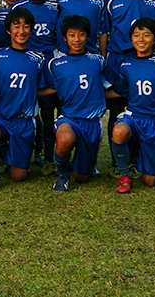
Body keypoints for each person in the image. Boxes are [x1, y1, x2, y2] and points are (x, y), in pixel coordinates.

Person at [103, 0, 155, 179]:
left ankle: (137, 159)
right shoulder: (112, 1)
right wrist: (105, 58)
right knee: (116, 110)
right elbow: (105, 32)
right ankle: (117, 162)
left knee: (139, 109)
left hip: (143, 60)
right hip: (118, 59)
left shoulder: (154, 1)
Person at [106, 19, 155, 193]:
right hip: (133, 116)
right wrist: (94, 95)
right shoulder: (126, 65)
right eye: (136, 35)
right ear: (131, 39)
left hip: (154, 120)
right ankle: (125, 174)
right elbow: (120, 91)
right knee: (119, 131)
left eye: (146, 35)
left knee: (150, 181)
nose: (141, 39)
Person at [0, 8, 45, 191]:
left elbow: (44, 88)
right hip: (2, 117)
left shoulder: (37, 59)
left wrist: (30, 94)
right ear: (8, 30)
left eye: (26, 26)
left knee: (18, 177)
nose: (21, 31)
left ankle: (5, 149)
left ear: (32, 29)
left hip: (24, 121)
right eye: (16, 26)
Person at [43, 15, 109, 192]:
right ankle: (62, 174)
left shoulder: (98, 61)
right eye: (72, 35)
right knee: (65, 139)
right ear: (65, 38)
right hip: (69, 118)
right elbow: (50, 88)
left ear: (87, 36)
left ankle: (83, 163)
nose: (77, 39)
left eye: (81, 34)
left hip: (92, 122)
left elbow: (107, 86)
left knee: (81, 178)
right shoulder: (56, 64)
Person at [12, 0, 58, 175]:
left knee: (49, 114)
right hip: (26, 64)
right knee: (24, 112)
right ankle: (21, 155)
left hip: (49, 63)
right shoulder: (18, 7)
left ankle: (49, 158)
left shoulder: (56, 5)